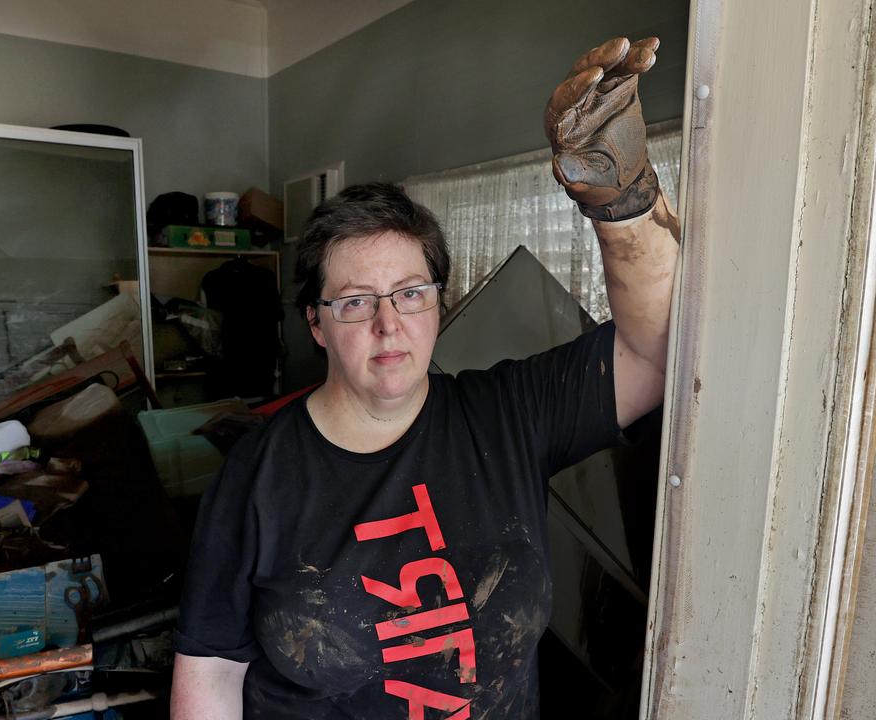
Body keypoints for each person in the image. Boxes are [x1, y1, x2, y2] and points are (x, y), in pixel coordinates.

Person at [171, 37, 680, 719]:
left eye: (411, 293)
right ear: (316, 324)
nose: (389, 324)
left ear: (438, 301)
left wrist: (621, 205)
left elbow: (653, 354)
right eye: (355, 302)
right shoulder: (255, 479)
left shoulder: (508, 415)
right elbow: (209, 672)